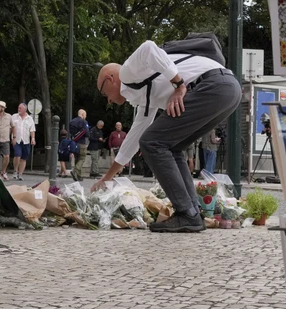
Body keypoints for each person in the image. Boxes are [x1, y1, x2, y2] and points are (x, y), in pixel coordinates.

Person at [92, 40, 242, 233]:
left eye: (106, 94)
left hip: (211, 86)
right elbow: (132, 142)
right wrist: (107, 178)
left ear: (110, 78)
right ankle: (192, 212)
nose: (109, 100)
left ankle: (186, 213)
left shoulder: (128, 72)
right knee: (171, 146)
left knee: (152, 142)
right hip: (228, 90)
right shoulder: (146, 95)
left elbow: (148, 48)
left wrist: (179, 86)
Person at [11, 103, 36, 180]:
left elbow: (32, 130)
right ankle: (15, 170)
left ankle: (20, 173)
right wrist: (11, 138)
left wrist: (33, 138)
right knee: (17, 155)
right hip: (16, 139)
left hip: (26, 141)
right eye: (18, 108)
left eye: (20, 108)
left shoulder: (30, 118)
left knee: (24, 158)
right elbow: (10, 128)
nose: (18, 109)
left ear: (25, 109)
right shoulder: (14, 116)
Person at [68, 109, 89, 179]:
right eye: (85, 115)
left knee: (77, 159)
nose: (85, 117)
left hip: (74, 143)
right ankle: (75, 171)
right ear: (83, 114)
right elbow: (87, 133)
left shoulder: (71, 121)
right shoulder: (83, 121)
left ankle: (78, 176)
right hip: (82, 143)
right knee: (82, 158)